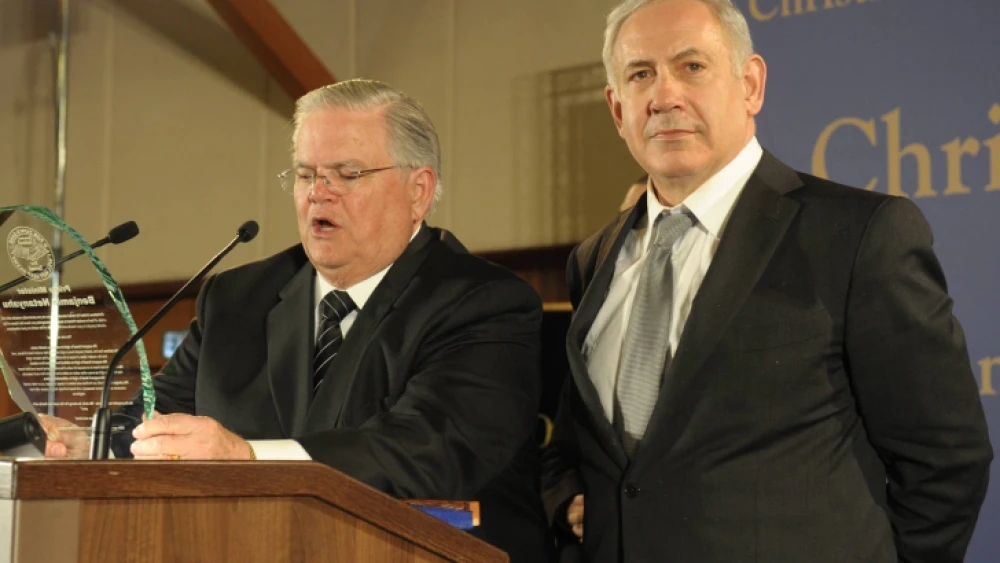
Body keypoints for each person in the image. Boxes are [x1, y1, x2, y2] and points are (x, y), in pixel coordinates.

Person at [541, 1, 993, 562]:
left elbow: (946, 457)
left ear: (750, 85)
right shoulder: (595, 258)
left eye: (692, 67)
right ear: (617, 109)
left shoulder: (857, 235)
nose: (664, 97)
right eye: (640, 75)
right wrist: (567, 500)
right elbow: (573, 443)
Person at [43, 79, 551, 563]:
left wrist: (246, 459)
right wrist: (90, 442)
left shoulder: (485, 303)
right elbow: (160, 417)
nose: (318, 194)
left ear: (418, 191)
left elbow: (423, 451)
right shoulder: (237, 298)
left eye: (347, 174)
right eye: (306, 174)